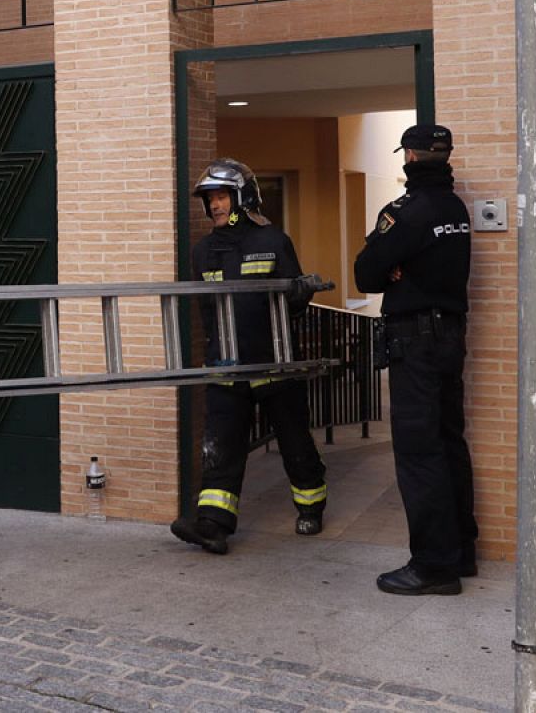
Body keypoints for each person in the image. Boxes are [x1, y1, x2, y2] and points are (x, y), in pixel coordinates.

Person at [171, 159, 330, 556]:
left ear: (242, 197)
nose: (215, 206)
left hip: (275, 362)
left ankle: (311, 508)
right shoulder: (204, 250)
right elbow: (206, 310)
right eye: (210, 200)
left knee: (295, 442)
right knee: (220, 447)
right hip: (227, 365)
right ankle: (213, 525)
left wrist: (300, 294)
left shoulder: (274, 241)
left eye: (221, 197)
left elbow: (294, 303)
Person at [354, 124, 476, 596]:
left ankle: (432, 566)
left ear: (408, 156)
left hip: (416, 342)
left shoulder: (406, 212)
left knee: (419, 452)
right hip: (449, 336)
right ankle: (459, 552)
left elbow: (365, 273)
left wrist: (391, 267)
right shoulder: (454, 208)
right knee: (448, 444)